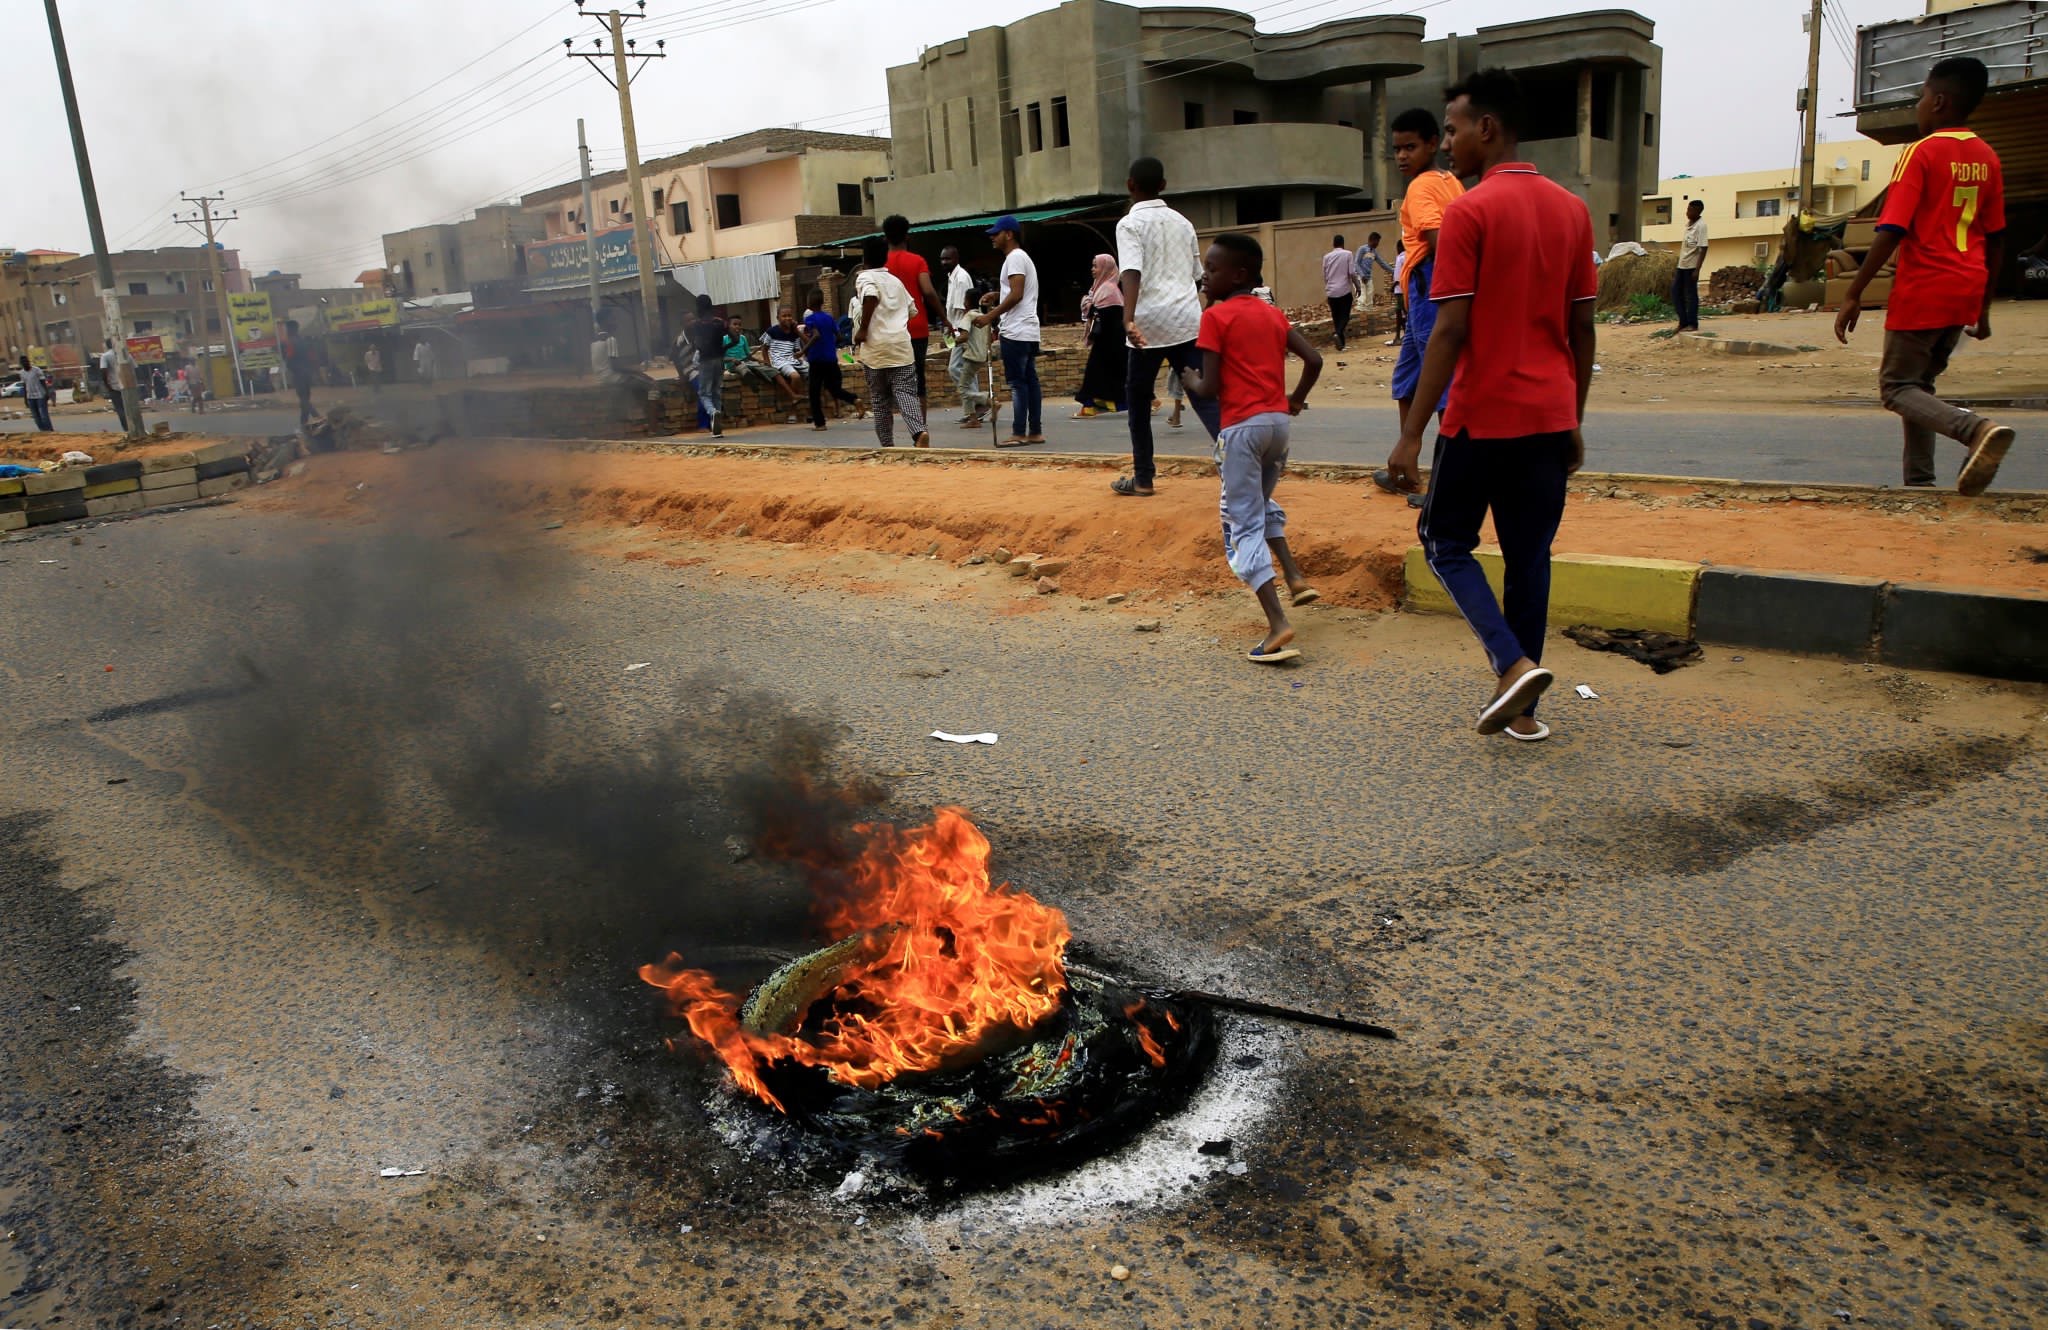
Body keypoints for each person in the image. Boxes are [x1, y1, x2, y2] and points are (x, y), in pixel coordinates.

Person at [1384, 69, 1597, 743]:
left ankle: (1511, 665)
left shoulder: (1468, 214)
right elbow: (1583, 328)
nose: (1446, 146)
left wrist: (1411, 434)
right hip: (1548, 416)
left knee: (1444, 542)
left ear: (1487, 128)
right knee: (1529, 557)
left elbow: (1449, 330)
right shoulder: (1572, 209)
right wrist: (1574, 417)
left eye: (1451, 130)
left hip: (1481, 416)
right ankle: (1525, 711)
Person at [1835, 55, 2014, 495]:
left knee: (1895, 389)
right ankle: (1921, 483)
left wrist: (1853, 292)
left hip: (1925, 287)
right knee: (1921, 385)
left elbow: (1891, 229)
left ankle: (1974, 430)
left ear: (1938, 101)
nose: (1917, 106)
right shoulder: (1987, 157)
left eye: (1920, 98)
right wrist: (1983, 310)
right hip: (1965, 287)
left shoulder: (1922, 152)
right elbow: (1996, 239)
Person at [1177, 233, 1324, 664]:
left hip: (1241, 429)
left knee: (1239, 522)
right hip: (1278, 425)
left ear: (1239, 274)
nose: (1205, 275)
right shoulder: (1271, 313)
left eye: (1213, 269)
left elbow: (1211, 386)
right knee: (1259, 502)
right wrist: (1294, 400)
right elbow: (1314, 360)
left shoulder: (1216, 319)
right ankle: (1294, 577)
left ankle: (1277, 624)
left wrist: (1189, 382)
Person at [1372, 107, 1465, 502]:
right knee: (1407, 382)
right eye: (1397, 149)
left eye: (1411, 146)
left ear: (1432, 144)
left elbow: (1439, 240)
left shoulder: (1422, 187)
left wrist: (1447, 296)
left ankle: (1450, 485)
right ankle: (1406, 466)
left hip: (1431, 289)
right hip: (1420, 296)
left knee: (1441, 385)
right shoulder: (1451, 181)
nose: (1403, 156)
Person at [1114, 156, 1217, 494]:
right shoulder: (1183, 223)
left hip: (1147, 324)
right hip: (1187, 321)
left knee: (1139, 401)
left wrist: (1128, 318)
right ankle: (1240, 469)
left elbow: (1131, 271)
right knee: (1205, 397)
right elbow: (1200, 276)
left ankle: (1143, 478)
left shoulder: (1129, 224)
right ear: (1163, 185)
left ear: (1131, 185)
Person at [854, 238, 928, 448]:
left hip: (875, 350)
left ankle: (887, 445)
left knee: (880, 400)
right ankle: (919, 433)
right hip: (901, 348)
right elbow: (913, 310)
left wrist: (863, 328)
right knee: (906, 394)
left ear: (864, 258)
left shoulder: (865, 277)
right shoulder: (896, 281)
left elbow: (870, 296)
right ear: (885, 256)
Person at [975, 216, 1042, 447]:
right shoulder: (1021, 258)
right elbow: (1015, 292)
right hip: (1029, 329)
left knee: (1018, 383)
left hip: (1015, 330)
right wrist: (996, 295)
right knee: (1030, 380)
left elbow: (1016, 294)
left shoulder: (1014, 258)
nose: (993, 238)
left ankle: (1018, 432)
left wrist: (990, 316)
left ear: (1009, 234)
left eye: (997, 233)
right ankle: (1034, 431)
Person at [883, 214, 945, 408]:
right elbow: (928, 291)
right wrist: (945, 318)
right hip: (916, 328)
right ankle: (921, 431)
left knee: (891, 380)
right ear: (907, 236)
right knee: (918, 381)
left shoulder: (881, 264)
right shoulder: (918, 261)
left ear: (885, 238)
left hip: (889, 330)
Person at [940, 245, 990, 426]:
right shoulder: (952, 278)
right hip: (956, 328)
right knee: (966, 369)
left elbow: (963, 309)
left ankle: (979, 402)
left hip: (962, 331)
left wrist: (957, 333)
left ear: (956, 259)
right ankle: (975, 409)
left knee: (955, 368)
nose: (944, 262)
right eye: (942, 259)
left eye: (948, 259)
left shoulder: (961, 278)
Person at [1074, 254, 1128, 418]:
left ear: (1105, 269)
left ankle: (1089, 406)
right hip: (1107, 341)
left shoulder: (1109, 290)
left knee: (1096, 372)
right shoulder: (1100, 288)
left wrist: (1090, 307)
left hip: (1111, 342)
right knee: (1108, 374)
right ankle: (1096, 405)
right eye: (1092, 266)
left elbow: (1106, 316)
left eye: (1096, 266)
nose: (1093, 270)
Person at [800, 288, 861, 430]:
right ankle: (854, 399)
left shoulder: (810, 319)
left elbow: (815, 335)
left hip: (816, 359)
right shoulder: (829, 318)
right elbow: (839, 337)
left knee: (814, 391)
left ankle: (820, 423)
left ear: (809, 303)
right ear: (822, 302)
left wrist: (803, 350)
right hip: (831, 358)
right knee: (833, 388)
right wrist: (829, 342)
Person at [686, 294, 729, 437]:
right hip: (719, 360)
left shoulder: (696, 325)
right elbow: (733, 338)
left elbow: (696, 343)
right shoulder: (719, 322)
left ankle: (713, 412)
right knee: (717, 392)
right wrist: (723, 349)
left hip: (705, 361)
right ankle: (717, 427)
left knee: (704, 393)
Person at [955, 291, 997, 430]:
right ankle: (973, 418)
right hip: (982, 356)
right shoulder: (984, 317)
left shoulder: (969, 316)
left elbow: (964, 336)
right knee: (965, 385)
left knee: (962, 389)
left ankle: (988, 400)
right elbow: (990, 338)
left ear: (967, 302)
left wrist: (951, 342)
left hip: (972, 356)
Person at [761, 307, 808, 420]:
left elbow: (797, 350)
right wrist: (768, 362)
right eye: (784, 316)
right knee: (795, 376)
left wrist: (799, 355)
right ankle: (793, 409)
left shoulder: (794, 333)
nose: (787, 318)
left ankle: (810, 409)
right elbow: (764, 348)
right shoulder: (772, 331)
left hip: (793, 360)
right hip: (780, 362)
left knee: (815, 374)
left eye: (789, 316)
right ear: (778, 318)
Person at [1672, 199, 1707, 332]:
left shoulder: (1701, 226)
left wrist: (1697, 270)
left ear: (1697, 211)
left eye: (1690, 210)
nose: (1687, 212)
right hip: (1682, 265)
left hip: (1692, 266)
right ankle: (1683, 321)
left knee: (1691, 295)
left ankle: (1692, 323)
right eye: (1687, 209)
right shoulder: (1688, 225)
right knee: (1675, 292)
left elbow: (1703, 248)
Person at [1323, 234, 1355, 351]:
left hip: (1331, 291)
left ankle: (1341, 344)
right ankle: (1338, 333)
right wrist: (1358, 286)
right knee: (1345, 316)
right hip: (1344, 290)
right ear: (1343, 243)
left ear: (1333, 244)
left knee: (1336, 317)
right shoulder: (1348, 254)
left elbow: (1325, 276)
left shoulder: (1326, 257)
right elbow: (1351, 273)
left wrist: (1328, 287)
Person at [282, 320, 317, 424]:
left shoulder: (290, 343)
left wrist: (289, 366)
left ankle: (317, 416)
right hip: (308, 373)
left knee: (303, 399)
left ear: (289, 329)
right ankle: (304, 423)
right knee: (305, 398)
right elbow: (312, 358)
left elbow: (289, 359)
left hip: (298, 374)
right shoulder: (305, 341)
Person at [1355, 231, 1395, 307]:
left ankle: (1367, 317)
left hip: (1368, 277)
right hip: (1360, 277)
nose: (1378, 244)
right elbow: (1356, 263)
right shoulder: (1362, 249)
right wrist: (1362, 275)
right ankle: (1361, 316)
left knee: (1369, 300)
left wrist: (1393, 271)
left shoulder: (1374, 252)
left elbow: (1382, 263)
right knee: (1362, 299)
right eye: (1377, 241)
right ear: (1371, 240)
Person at [18, 356, 52, 432]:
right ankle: (42, 430)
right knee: (36, 416)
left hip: (40, 395)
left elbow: (43, 382)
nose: (25, 363)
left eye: (26, 361)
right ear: (21, 364)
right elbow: (24, 385)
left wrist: (47, 393)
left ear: (29, 362)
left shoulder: (36, 370)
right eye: (23, 362)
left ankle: (49, 430)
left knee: (43, 415)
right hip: (30, 397)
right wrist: (25, 399)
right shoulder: (21, 373)